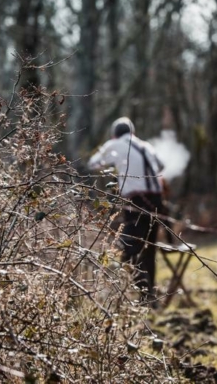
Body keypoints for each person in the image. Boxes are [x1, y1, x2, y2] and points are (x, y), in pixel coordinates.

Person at [88, 117, 166, 303]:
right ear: (133, 133)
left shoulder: (114, 144)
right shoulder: (145, 145)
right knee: (149, 249)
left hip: (136, 202)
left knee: (129, 249)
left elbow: (93, 163)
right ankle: (148, 294)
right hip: (156, 202)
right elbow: (161, 166)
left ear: (114, 135)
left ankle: (140, 293)